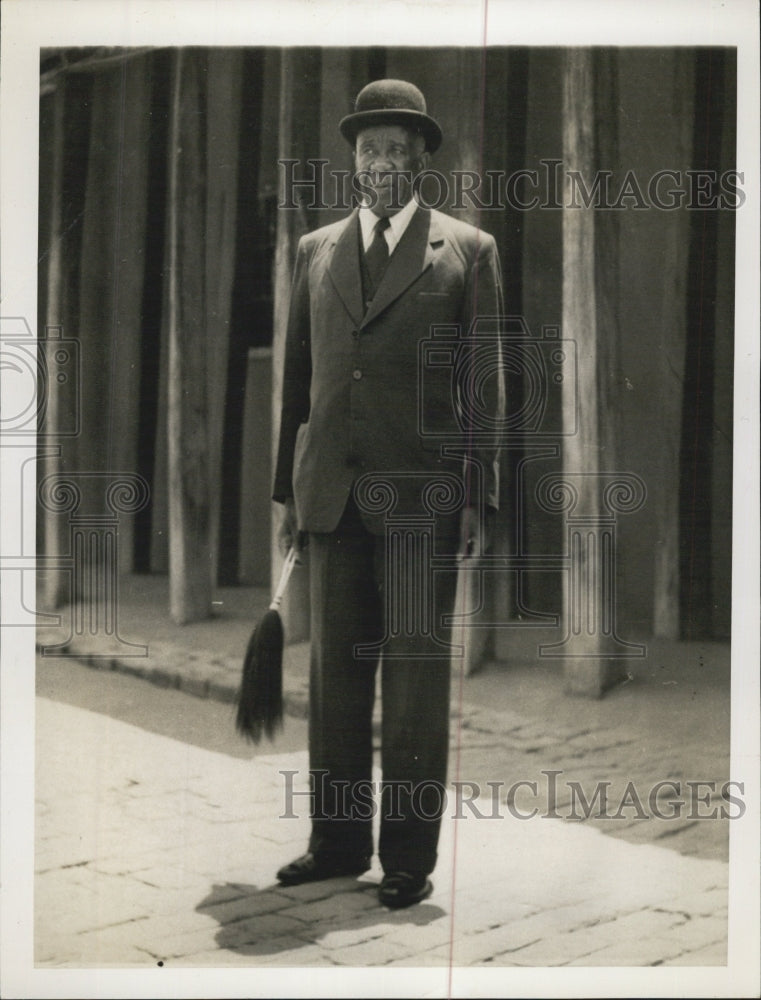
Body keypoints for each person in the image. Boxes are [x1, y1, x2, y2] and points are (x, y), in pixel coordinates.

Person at [272, 79, 504, 909]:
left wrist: (476, 494)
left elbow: (483, 383)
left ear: (420, 160)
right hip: (330, 495)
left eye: (396, 149)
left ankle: (406, 858)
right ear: (354, 160)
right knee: (335, 676)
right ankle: (335, 842)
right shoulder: (314, 250)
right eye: (368, 149)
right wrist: (287, 495)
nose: (380, 163)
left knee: (410, 681)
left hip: (421, 500)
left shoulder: (466, 251)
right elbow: (300, 382)